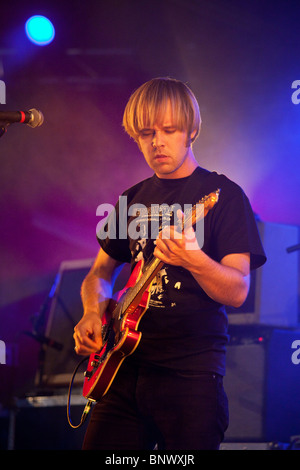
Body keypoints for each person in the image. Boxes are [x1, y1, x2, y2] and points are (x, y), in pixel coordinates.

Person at [73, 77, 266, 450]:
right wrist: (91, 312)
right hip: (121, 373)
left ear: (191, 131)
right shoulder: (130, 200)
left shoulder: (224, 196)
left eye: (169, 130)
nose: (157, 141)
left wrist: (193, 260)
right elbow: (99, 272)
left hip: (190, 376)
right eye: (146, 133)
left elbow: (238, 291)